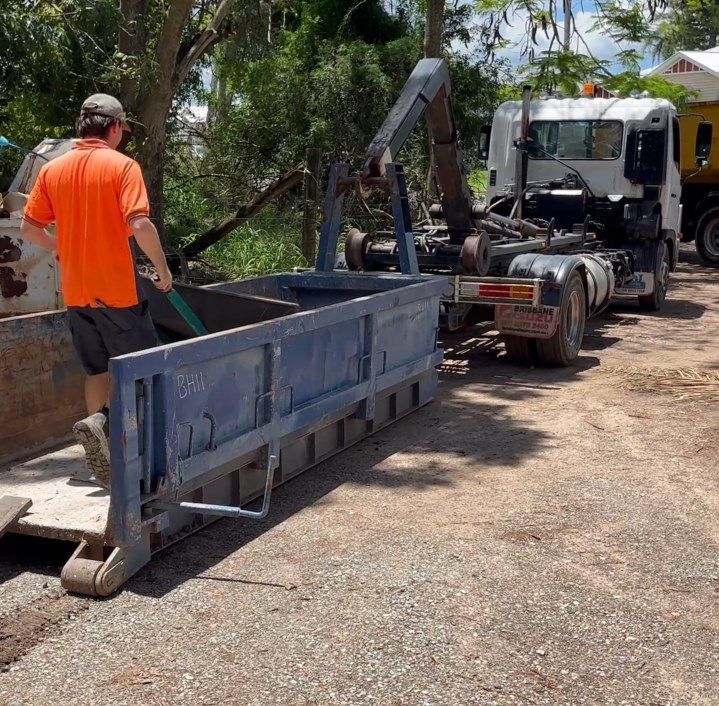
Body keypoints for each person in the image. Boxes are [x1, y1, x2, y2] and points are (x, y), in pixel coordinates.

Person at [21, 93, 172, 487]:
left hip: (77, 294)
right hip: (117, 294)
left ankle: (98, 441)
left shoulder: (53, 171)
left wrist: (60, 248)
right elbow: (140, 225)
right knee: (138, 372)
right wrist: (162, 270)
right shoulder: (122, 167)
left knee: (96, 369)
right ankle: (133, 451)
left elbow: (28, 228)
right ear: (116, 126)